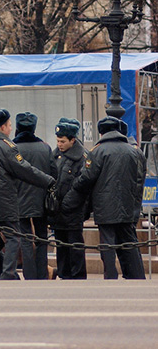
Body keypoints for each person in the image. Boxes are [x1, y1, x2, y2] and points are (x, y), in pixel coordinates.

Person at [0, 109, 55, 280]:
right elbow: (24, 170)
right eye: (8, 125)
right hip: (3, 202)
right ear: (2, 127)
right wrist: (48, 181)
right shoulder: (6, 146)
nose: (10, 129)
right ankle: (7, 274)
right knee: (13, 237)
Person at [63, 116, 146, 279]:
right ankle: (136, 276)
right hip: (128, 206)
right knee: (129, 243)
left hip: (105, 207)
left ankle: (111, 276)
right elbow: (138, 179)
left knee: (107, 243)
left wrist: (75, 188)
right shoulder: (132, 150)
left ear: (102, 133)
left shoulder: (97, 151)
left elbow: (87, 178)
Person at [13, 112, 55, 280]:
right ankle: (42, 274)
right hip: (41, 200)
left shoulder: (12, 147)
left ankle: (29, 275)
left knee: (24, 238)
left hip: (19, 198)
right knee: (42, 238)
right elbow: (54, 172)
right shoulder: (44, 147)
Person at [48, 118, 88, 280]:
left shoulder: (82, 157)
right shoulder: (55, 155)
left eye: (63, 141)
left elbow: (81, 184)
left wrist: (66, 204)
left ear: (72, 140)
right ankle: (64, 274)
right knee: (61, 244)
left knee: (74, 245)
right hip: (57, 210)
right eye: (58, 141)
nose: (59, 144)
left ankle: (78, 275)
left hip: (73, 210)